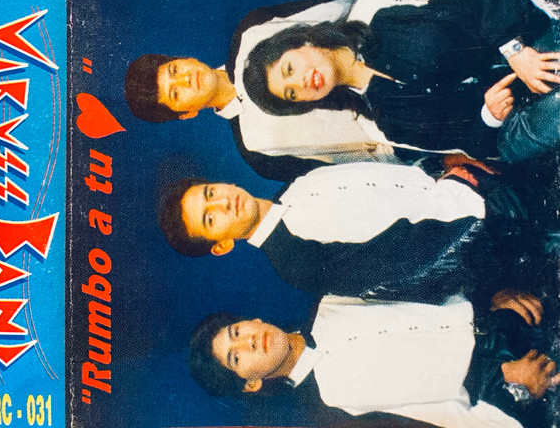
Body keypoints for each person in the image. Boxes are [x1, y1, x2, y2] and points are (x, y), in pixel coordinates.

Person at [240, 0, 560, 162]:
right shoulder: (385, 123)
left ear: (301, 42)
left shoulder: (383, 13)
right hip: (517, 121)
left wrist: (514, 50)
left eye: (289, 69)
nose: (300, 83)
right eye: (292, 94)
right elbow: (470, 142)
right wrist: (489, 115)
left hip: (526, 45)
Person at [159, 160, 550, 311]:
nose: (222, 203)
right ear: (222, 245)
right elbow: (409, 273)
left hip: (484, 183)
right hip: (500, 234)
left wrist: (449, 171)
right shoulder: (295, 263)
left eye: (210, 193)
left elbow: (397, 179)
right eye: (210, 219)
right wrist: (492, 286)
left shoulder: (299, 183)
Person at [124, 0, 400, 180]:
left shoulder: (252, 30)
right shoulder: (256, 150)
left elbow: (345, 7)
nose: (185, 80)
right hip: (405, 133)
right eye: (175, 93)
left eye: (174, 70)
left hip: (396, 49)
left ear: (185, 58)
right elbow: (347, 174)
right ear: (186, 114)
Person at [189, 295, 559, 428]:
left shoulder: (331, 300)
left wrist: (495, 296)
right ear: (251, 383)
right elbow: (442, 419)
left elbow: (433, 289)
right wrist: (513, 388)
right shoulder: (331, 411)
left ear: (252, 320)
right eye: (237, 356)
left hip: (515, 314)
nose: (251, 341)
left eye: (237, 331)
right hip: (513, 384)